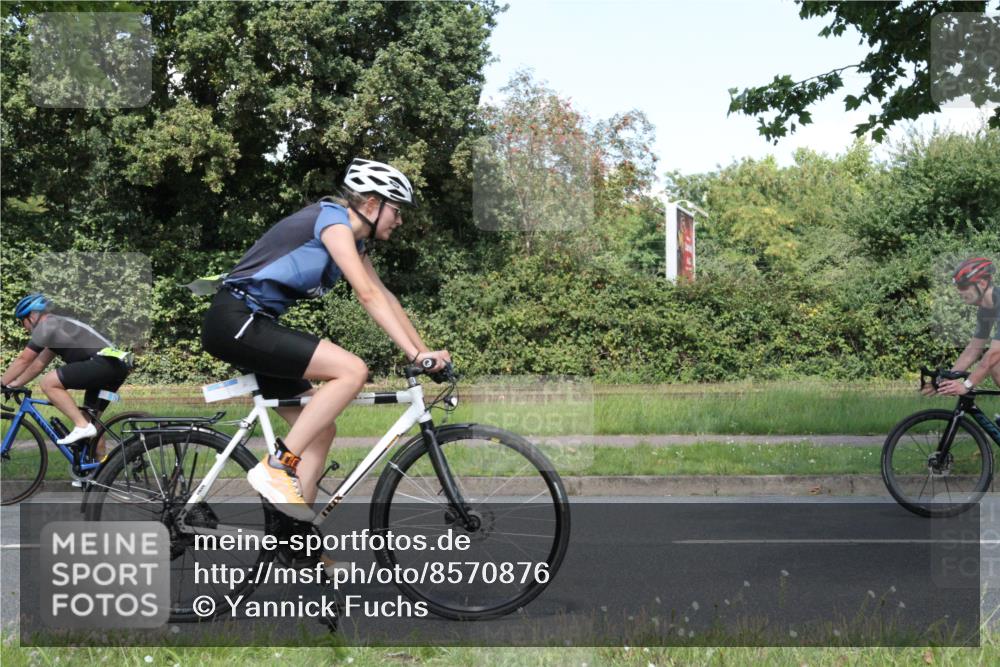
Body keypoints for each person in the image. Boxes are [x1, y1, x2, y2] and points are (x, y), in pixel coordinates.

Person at [201, 158, 450, 521]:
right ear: (370, 204)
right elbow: (367, 296)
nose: (399, 220)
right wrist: (414, 352)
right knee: (351, 370)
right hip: (236, 319)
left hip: (255, 323)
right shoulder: (332, 220)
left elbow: (385, 297)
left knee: (319, 430)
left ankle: (296, 544)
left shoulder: (353, 241)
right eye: (395, 210)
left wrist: (423, 352)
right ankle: (276, 467)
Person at [1, 293, 133, 453]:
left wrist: (1, 383)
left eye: (23, 321)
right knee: (91, 421)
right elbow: (37, 365)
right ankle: (98, 471)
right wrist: (13, 384)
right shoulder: (57, 327)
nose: (24, 327)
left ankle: (82, 426)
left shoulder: (47, 325)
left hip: (103, 364)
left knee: (48, 383)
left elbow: (24, 359)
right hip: (114, 366)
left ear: (33, 316)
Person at [934, 257, 1000, 396]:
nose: (959, 291)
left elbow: (994, 353)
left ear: (982, 283)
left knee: (995, 362)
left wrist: (966, 385)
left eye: (963, 286)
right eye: (958, 287)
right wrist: (946, 380)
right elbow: (973, 351)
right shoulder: (986, 309)